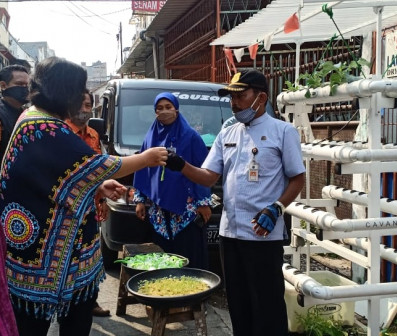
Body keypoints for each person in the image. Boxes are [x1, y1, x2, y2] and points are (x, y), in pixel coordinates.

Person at [0, 57, 167, 336]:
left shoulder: (34, 118)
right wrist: (146, 158)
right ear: (64, 90)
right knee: (38, 325)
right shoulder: (43, 126)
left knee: (70, 318)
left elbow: (56, 174)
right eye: (79, 89)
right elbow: (94, 165)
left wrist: (97, 186)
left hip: (59, 252)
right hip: (43, 255)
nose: (81, 97)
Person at [165, 69, 306, 336]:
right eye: (231, 97)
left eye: (240, 96)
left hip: (263, 234)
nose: (234, 103)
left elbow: (297, 179)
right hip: (230, 234)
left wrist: (277, 208)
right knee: (238, 303)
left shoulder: (283, 131)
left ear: (261, 97)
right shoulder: (227, 133)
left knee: (267, 303)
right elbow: (207, 178)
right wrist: (180, 165)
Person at [133, 92, 212, 269]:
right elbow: (142, 169)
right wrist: (139, 200)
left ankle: (191, 292)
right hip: (158, 210)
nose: (164, 111)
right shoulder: (150, 138)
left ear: (176, 109)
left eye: (168, 107)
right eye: (159, 108)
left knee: (188, 255)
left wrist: (203, 202)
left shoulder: (191, 136)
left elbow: (203, 169)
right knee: (164, 256)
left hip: (186, 209)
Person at [65, 89, 110, 317]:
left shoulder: (93, 135)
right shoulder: (61, 133)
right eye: (80, 104)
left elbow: (99, 171)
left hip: (90, 205)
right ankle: (67, 302)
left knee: (92, 255)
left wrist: (101, 199)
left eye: (88, 104)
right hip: (67, 210)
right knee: (68, 258)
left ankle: (90, 301)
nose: (84, 109)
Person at [0, 64, 30, 160]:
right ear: (3, 86)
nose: (25, 89)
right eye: (20, 84)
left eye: (27, 85)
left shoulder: (27, 113)